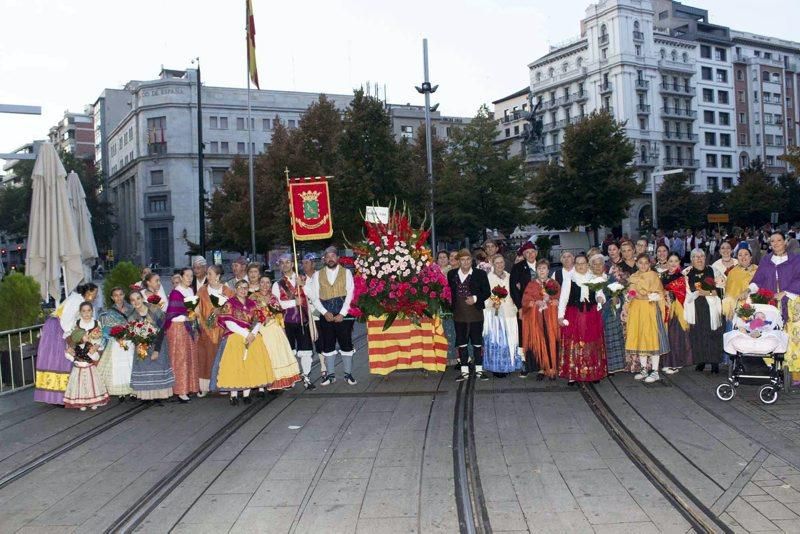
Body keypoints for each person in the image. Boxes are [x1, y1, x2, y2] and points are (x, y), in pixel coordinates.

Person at [34, 282, 99, 405]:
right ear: (88, 292)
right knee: (59, 361)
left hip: (61, 328)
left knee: (61, 361)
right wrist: (72, 338)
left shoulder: (80, 300)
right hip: (58, 329)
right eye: (95, 293)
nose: (95, 296)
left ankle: (63, 396)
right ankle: (58, 397)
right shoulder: (76, 300)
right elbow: (66, 320)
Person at [212, 280, 274, 405]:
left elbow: (259, 320)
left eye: (246, 288)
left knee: (250, 366)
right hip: (235, 336)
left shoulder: (253, 304)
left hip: (252, 337)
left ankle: (247, 393)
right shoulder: (230, 303)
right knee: (235, 366)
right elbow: (229, 323)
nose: (243, 290)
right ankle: (233, 394)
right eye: (240, 287)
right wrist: (246, 334)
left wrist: (253, 334)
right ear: (236, 289)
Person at [310, 247, 357, 386]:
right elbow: (314, 296)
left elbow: (350, 293)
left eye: (333, 256)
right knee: (328, 344)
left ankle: (348, 374)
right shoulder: (317, 275)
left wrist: (342, 313)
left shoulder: (347, 272)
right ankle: (330, 375)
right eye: (327, 256)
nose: (330, 258)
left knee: (346, 343)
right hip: (326, 314)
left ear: (337, 258)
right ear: (324, 259)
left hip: (343, 314)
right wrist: (324, 312)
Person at [557, 254, 607, 384]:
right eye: (578, 263)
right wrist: (560, 316)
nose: (580, 266)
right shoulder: (570, 278)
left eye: (583, 263)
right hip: (574, 314)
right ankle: (573, 374)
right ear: (575, 265)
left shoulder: (594, 278)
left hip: (591, 314)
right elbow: (563, 298)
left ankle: (592, 372)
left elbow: (599, 294)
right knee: (575, 342)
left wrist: (600, 298)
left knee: (591, 343)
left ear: (587, 264)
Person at [624, 253, 669, 383]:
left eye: (646, 263)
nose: (643, 265)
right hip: (637, 311)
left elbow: (659, 293)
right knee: (640, 337)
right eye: (640, 263)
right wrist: (631, 296)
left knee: (652, 338)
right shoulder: (633, 276)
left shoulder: (653, 276)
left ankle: (655, 371)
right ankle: (643, 368)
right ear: (636, 263)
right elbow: (631, 291)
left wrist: (644, 296)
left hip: (650, 310)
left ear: (649, 264)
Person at [448, 249, 491, 381]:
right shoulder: (451, 274)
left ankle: (479, 370)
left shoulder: (480, 274)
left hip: (475, 312)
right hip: (459, 312)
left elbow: (487, 292)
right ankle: (464, 371)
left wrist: (476, 298)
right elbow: (448, 292)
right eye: (462, 260)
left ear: (472, 260)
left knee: (477, 342)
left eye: (468, 259)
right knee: (462, 342)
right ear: (458, 261)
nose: (465, 262)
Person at [273, 254, 315, 389]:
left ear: (292, 264)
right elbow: (277, 304)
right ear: (279, 266)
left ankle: (306, 376)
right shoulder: (277, 284)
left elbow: (313, 295)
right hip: (287, 322)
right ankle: (290, 378)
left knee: (306, 350)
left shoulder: (303, 279)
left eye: (287, 262)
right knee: (289, 351)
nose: (285, 265)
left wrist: (303, 286)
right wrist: (293, 302)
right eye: (282, 263)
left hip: (303, 320)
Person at [128, 291, 174, 403]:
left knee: (158, 366)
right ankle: (146, 396)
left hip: (158, 342)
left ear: (142, 298)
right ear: (130, 302)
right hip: (142, 345)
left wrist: (157, 350)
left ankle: (159, 396)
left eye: (138, 298)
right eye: (133, 300)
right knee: (143, 368)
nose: (136, 302)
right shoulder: (131, 317)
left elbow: (162, 330)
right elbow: (133, 335)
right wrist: (140, 347)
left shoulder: (154, 309)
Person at [195, 264, 234, 395]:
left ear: (218, 276)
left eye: (210, 274)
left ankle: (222, 384)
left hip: (224, 330)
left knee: (223, 357)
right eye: (207, 274)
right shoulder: (202, 291)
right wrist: (200, 321)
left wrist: (222, 311)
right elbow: (195, 309)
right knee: (206, 357)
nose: (207, 277)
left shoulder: (228, 292)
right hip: (206, 329)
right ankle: (205, 385)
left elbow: (234, 310)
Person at [63, 302, 109, 410]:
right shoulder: (77, 323)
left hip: (93, 352)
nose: (86, 313)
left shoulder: (96, 323)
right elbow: (71, 337)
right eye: (83, 311)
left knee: (93, 379)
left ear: (92, 311)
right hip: (80, 353)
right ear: (80, 312)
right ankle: (82, 400)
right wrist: (71, 348)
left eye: (89, 310)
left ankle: (94, 399)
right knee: (80, 380)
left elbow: (102, 338)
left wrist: (97, 347)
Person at [164, 267, 200, 402]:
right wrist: (187, 318)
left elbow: (191, 310)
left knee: (189, 356)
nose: (190, 278)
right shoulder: (176, 293)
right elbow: (171, 316)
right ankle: (180, 390)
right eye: (187, 276)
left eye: (192, 276)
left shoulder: (190, 290)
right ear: (181, 277)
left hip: (187, 327)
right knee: (180, 359)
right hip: (177, 328)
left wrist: (193, 316)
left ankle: (188, 386)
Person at [685, 249, 724, 373]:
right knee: (697, 334)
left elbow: (722, 290)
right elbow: (684, 291)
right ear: (691, 259)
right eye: (696, 257)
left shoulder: (713, 270)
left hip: (712, 306)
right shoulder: (686, 273)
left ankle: (714, 363)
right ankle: (700, 361)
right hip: (694, 307)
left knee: (714, 334)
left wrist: (706, 292)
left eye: (701, 256)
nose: (699, 259)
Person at [482, 254, 521, 376]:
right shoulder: (488, 278)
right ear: (493, 264)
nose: (500, 265)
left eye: (501, 262)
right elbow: (484, 295)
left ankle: (509, 365)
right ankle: (497, 367)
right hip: (495, 314)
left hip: (509, 312)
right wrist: (492, 303)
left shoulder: (510, 277)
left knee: (510, 340)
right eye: (497, 263)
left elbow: (514, 294)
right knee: (497, 341)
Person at [521, 259, 560, 379]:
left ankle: (552, 367)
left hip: (551, 319)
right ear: (536, 270)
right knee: (539, 341)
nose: (542, 271)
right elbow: (525, 301)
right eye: (539, 268)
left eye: (544, 268)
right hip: (536, 319)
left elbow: (560, 299)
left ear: (548, 270)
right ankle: (542, 369)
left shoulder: (554, 283)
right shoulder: (531, 284)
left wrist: (553, 300)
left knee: (551, 341)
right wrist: (535, 302)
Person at [750, 231, 800, 323]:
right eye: (772, 241)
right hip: (769, 299)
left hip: (790, 298)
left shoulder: (796, 259)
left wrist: (785, 292)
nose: (775, 243)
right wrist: (748, 290)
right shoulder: (766, 259)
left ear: (785, 242)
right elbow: (758, 279)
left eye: (779, 240)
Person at [589, 254, 625, 375]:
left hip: (610, 315)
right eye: (595, 264)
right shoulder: (588, 280)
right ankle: (599, 367)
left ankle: (612, 367)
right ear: (591, 266)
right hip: (594, 315)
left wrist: (617, 301)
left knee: (610, 341)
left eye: (600, 263)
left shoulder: (610, 278)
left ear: (604, 265)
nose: (598, 266)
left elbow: (620, 295)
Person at [97, 287, 134, 400]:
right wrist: (116, 336)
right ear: (112, 298)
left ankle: (133, 390)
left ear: (124, 295)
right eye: (116, 295)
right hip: (116, 343)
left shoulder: (132, 309)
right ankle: (121, 392)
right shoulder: (108, 313)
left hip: (130, 341)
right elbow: (105, 329)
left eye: (121, 294)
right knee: (118, 368)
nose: (118, 297)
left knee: (131, 366)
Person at [510, 241, 539, 378]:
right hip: (525, 308)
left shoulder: (543, 266)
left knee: (540, 335)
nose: (530, 254)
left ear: (536, 253)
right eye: (527, 253)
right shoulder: (518, 267)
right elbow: (513, 290)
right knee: (525, 335)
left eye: (532, 252)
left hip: (541, 308)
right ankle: (525, 364)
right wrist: (519, 307)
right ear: (523, 255)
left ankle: (542, 364)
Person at [660, 253, 693, 374]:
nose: (673, 264)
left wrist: (670, 294)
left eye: (676, 261)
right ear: (667, 262)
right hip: (664, 308)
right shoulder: (662, 275)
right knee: (666, 336)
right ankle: (666, 362)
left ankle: (676, 363)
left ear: (679, 262)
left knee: (675, 337)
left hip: (677, 310)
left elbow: (684, 294)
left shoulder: (681, 276)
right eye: (670, 261)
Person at [301, 252, 325, 377]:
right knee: (306, 344)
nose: (304, 265)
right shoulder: (300, 278)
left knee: (320, 342)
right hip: (304, 315)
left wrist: (304, 287)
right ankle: (306, 371)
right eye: (303, 263)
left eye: (307, 263)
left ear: (313, 264)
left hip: (317, 314)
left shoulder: (320, 277)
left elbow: (316, 296)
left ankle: (323, 367)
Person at [722, 246, 757, 321]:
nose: (743, 257)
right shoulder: (732, 272)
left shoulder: (758, 270)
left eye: (746, 254)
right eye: (740, 255)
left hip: (755, 307)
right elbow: (728, 292)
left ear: (751, 257)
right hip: (735, 309)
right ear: (737, 258)